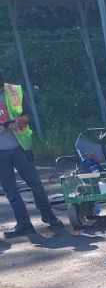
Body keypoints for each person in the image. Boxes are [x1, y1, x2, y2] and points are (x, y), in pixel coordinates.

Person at [0, 69, 62, 237]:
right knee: (11, 191)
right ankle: (24, 224)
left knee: (36, 184)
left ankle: (49, 216)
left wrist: (19, 121)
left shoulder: (14, 91)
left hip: (21, 147)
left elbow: (30, 116)